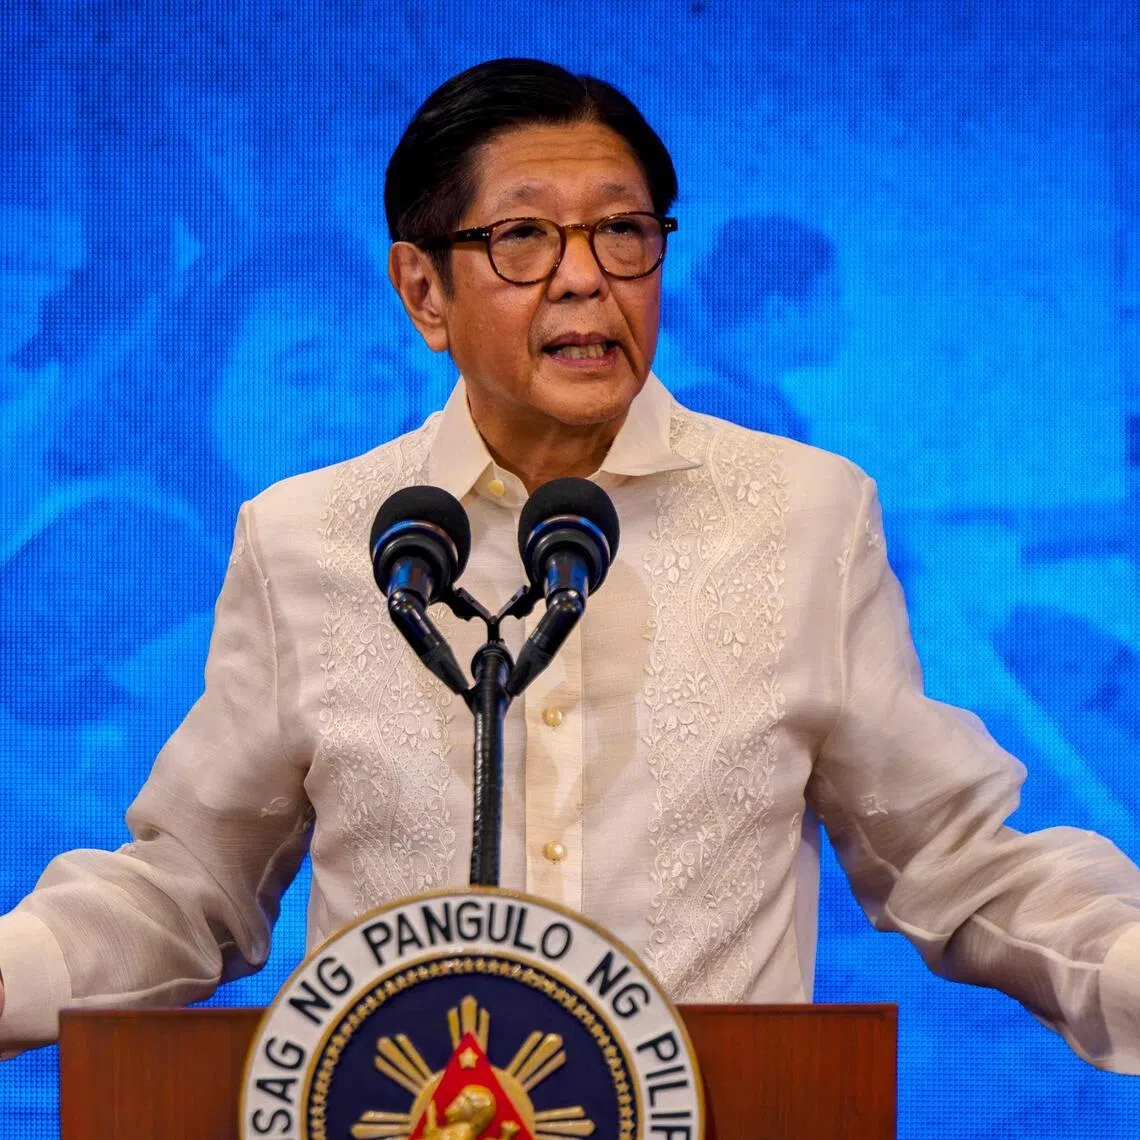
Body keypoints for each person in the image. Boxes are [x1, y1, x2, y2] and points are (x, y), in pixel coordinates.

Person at [1, 58, 1138, 1076]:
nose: (586, 278)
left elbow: (953, 859)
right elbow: (191, 886)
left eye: (623, 234)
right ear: (425, 293)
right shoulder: (308, 535)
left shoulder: (805, 517)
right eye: (525, 239)